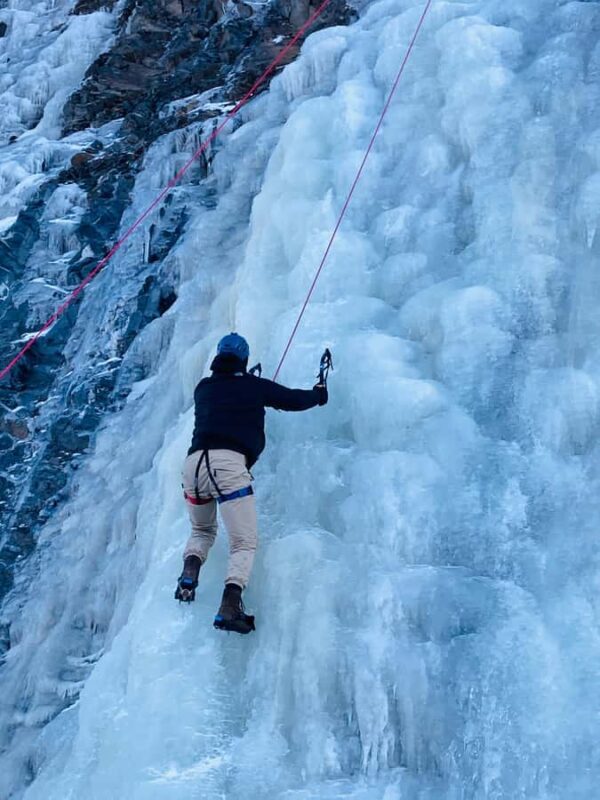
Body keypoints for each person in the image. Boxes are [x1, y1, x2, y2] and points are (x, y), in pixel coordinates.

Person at [175, 332, 328, 634]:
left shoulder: (203, 388)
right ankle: (230, 607)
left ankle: (189, 575)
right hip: (228, 467)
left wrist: (247, 383)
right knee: (243, 542)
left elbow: (228, 397)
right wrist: (319, 393)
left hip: (193, 467)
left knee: (202, 529)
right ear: (243, 359)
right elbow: (292, 400)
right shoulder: (253, 386)